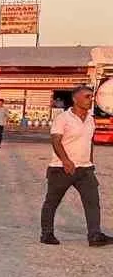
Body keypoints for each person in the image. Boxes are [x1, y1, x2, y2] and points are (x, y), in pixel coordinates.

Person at [41, 85, 109, 247]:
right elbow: (55, 141)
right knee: (52, 201)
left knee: (92, 201)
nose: (90, 99)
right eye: (86, 96)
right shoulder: (63, 118)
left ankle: (94, 235)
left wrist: (90, 161)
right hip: (61, 169)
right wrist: (65, 161)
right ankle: (47, 233)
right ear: (75, 99)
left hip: (85, 169)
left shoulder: (91, 119)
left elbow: (89, 141)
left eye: (91, 97)